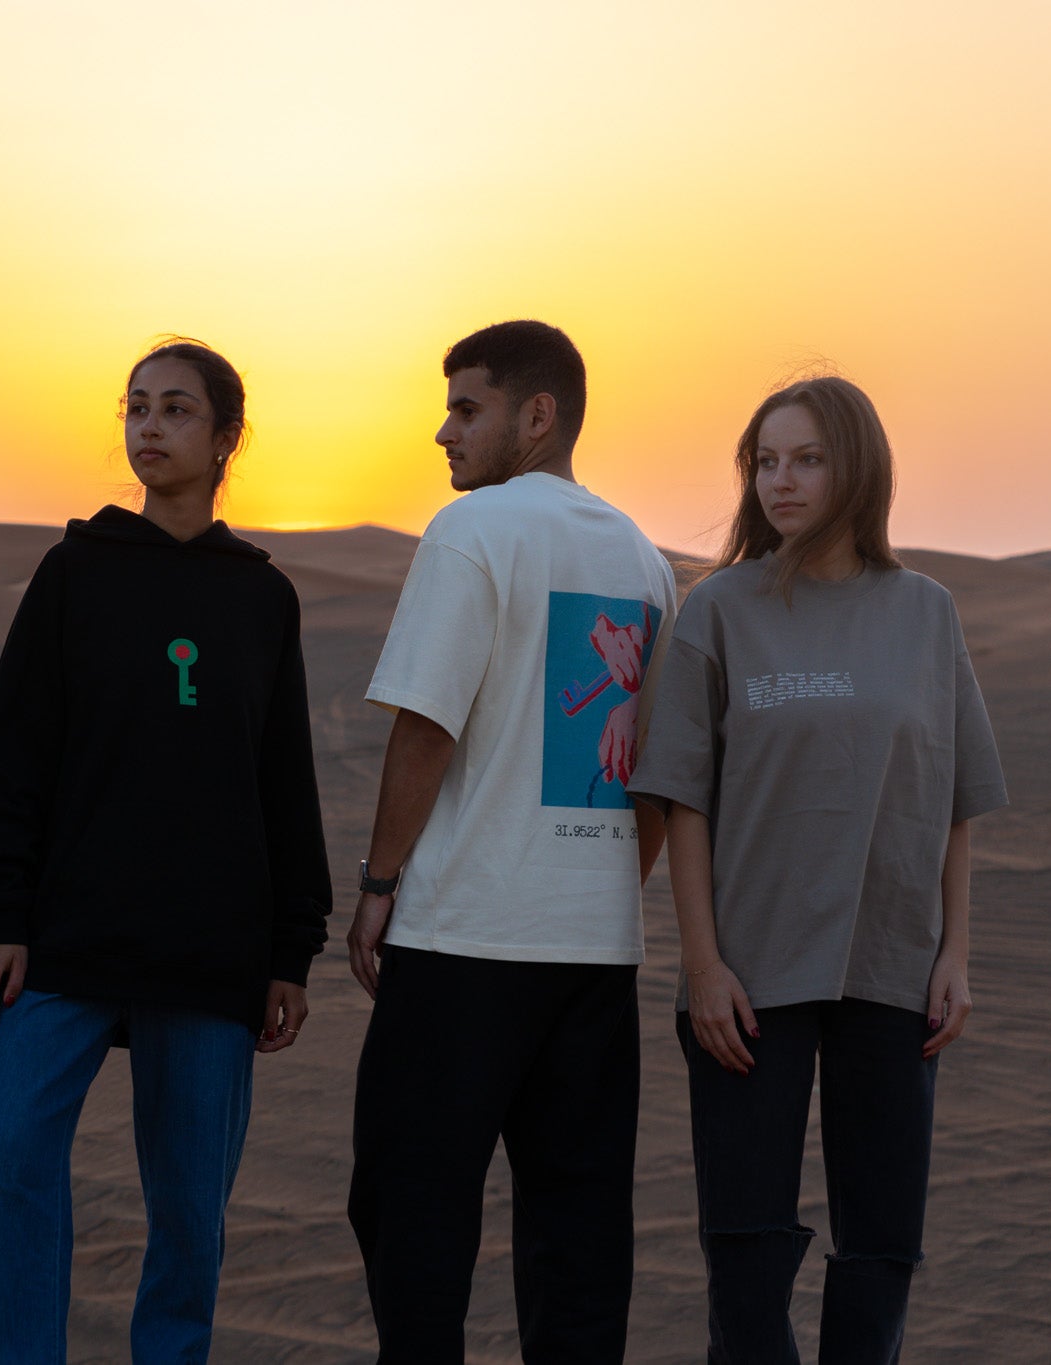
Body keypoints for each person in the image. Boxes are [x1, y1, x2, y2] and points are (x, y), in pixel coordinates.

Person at [0, 339, 332, 1365]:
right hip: (67, 940)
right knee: (4, 1173)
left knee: (189, 1215)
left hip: (211, 952)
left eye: (174, 410)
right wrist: (5, 918)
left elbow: (281, 780)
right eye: (135, 408)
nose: (149, 428)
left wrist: (291, 949)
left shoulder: (261, 596)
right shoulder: (76, 572)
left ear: (224, 439)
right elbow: (14, 751)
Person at [626, 375, 1008, 1363]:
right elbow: (683, 800)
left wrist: (953, 952)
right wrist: (701, 965)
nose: (778, 483)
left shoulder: (924, 612)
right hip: (748, 977)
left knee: (881, 1243)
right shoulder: (717, 612)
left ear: (856, 468)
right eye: (762, 462)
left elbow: (953, 796)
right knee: (745, 1253)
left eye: (804, 459)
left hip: (889, 968)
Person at [345, 320, 678, 1363]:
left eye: (464, 408)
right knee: (577, 1238)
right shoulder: (645, 559)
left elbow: (424, 726)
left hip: (462, 945)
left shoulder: (474, 531)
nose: (441, 433)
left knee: (408, 1210)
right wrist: (597, 889)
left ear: (536, 417)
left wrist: (377, 882)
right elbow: (660, 779)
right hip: (592, 955)